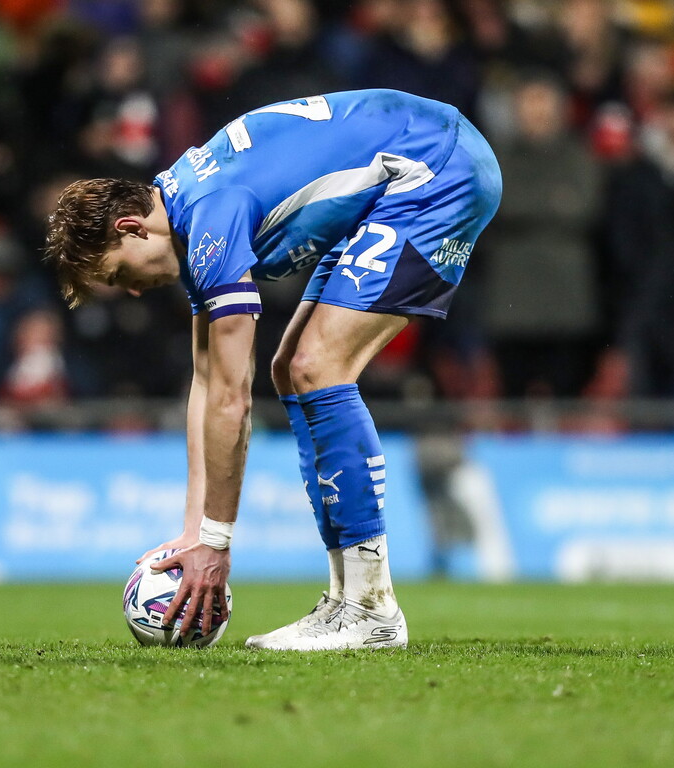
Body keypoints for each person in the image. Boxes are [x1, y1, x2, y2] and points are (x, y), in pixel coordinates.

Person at [45, 89, 502, 650]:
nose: (134, 290)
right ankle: (348, 603)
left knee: (318, 367)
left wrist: (217, 542)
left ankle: (369, 608)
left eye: (120, 276)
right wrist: (195, 532)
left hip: (435, 166)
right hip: (400, 172)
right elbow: (206, 383)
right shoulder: (189, 214)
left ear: (131, 228)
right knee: (294, 369)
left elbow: (233, 401)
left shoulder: (213, 217)